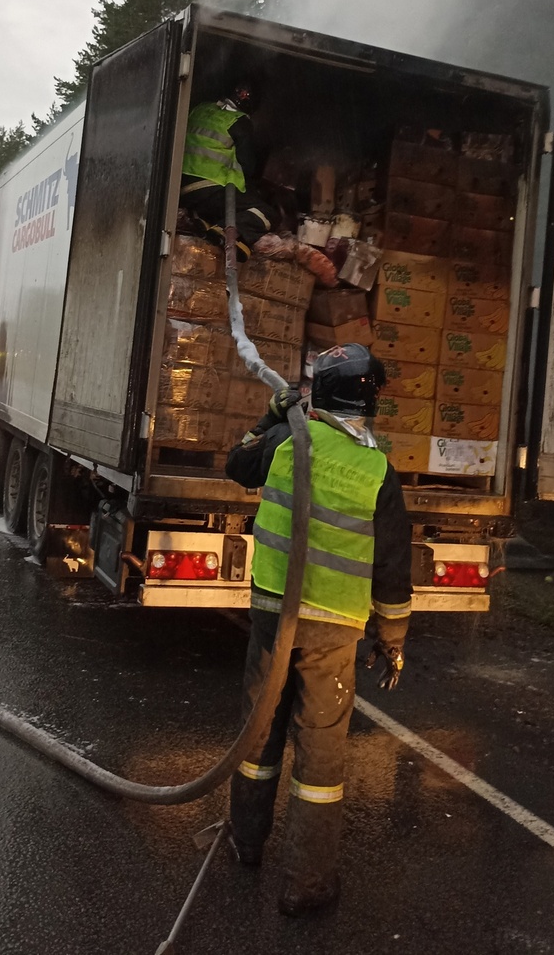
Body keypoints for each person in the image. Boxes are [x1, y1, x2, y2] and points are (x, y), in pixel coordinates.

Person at [224, 343, 412, 918]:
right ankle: (306, 883)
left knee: (258, 737)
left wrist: (273, 415)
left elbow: (237, 465)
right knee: (321, 759)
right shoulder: (378, 469)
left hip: (271, 618)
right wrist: (393, 639)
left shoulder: (285, 440)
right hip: (333, 633)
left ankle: (245, 843)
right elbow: (392, 568)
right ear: (370, 400)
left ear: (320, 390)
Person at [180, 81, 275, 262]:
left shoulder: (199, 108)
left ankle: (204, 222)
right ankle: (223, 230)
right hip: (208, 186)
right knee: (267, 213)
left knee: (223, 203)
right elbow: (247, 167)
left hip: (182, 188)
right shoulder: (240, 122)